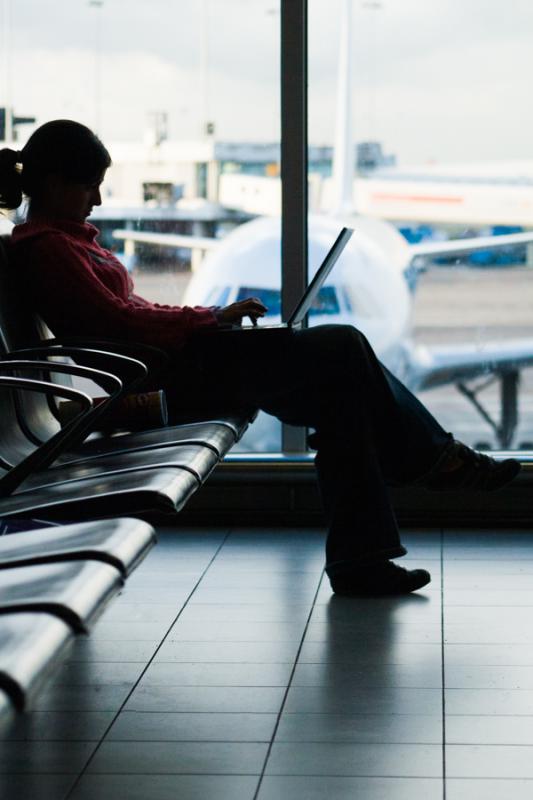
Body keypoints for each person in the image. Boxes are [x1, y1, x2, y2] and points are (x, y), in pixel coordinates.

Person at [0, 120, 521, 596]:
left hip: (176, 364)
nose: (96, 198)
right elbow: (114, 326)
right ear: (51, 184)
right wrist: (205, 322)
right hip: (157, 382)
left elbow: (129, 310)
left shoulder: (68, 242)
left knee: (342, 396)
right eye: (88, 184)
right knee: (342, 347)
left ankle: (365, 558)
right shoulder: (47, 248)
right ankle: (429, 466)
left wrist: (210, 315)